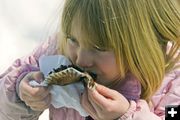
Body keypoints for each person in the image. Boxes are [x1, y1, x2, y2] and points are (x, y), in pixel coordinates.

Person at [0, 0, 179, 120]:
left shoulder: (173, 80)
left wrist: (126, 116)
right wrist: (20, 94)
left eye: (99, 47)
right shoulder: (57, 50)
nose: (81, 59)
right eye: (73, 39)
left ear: (143, 45)